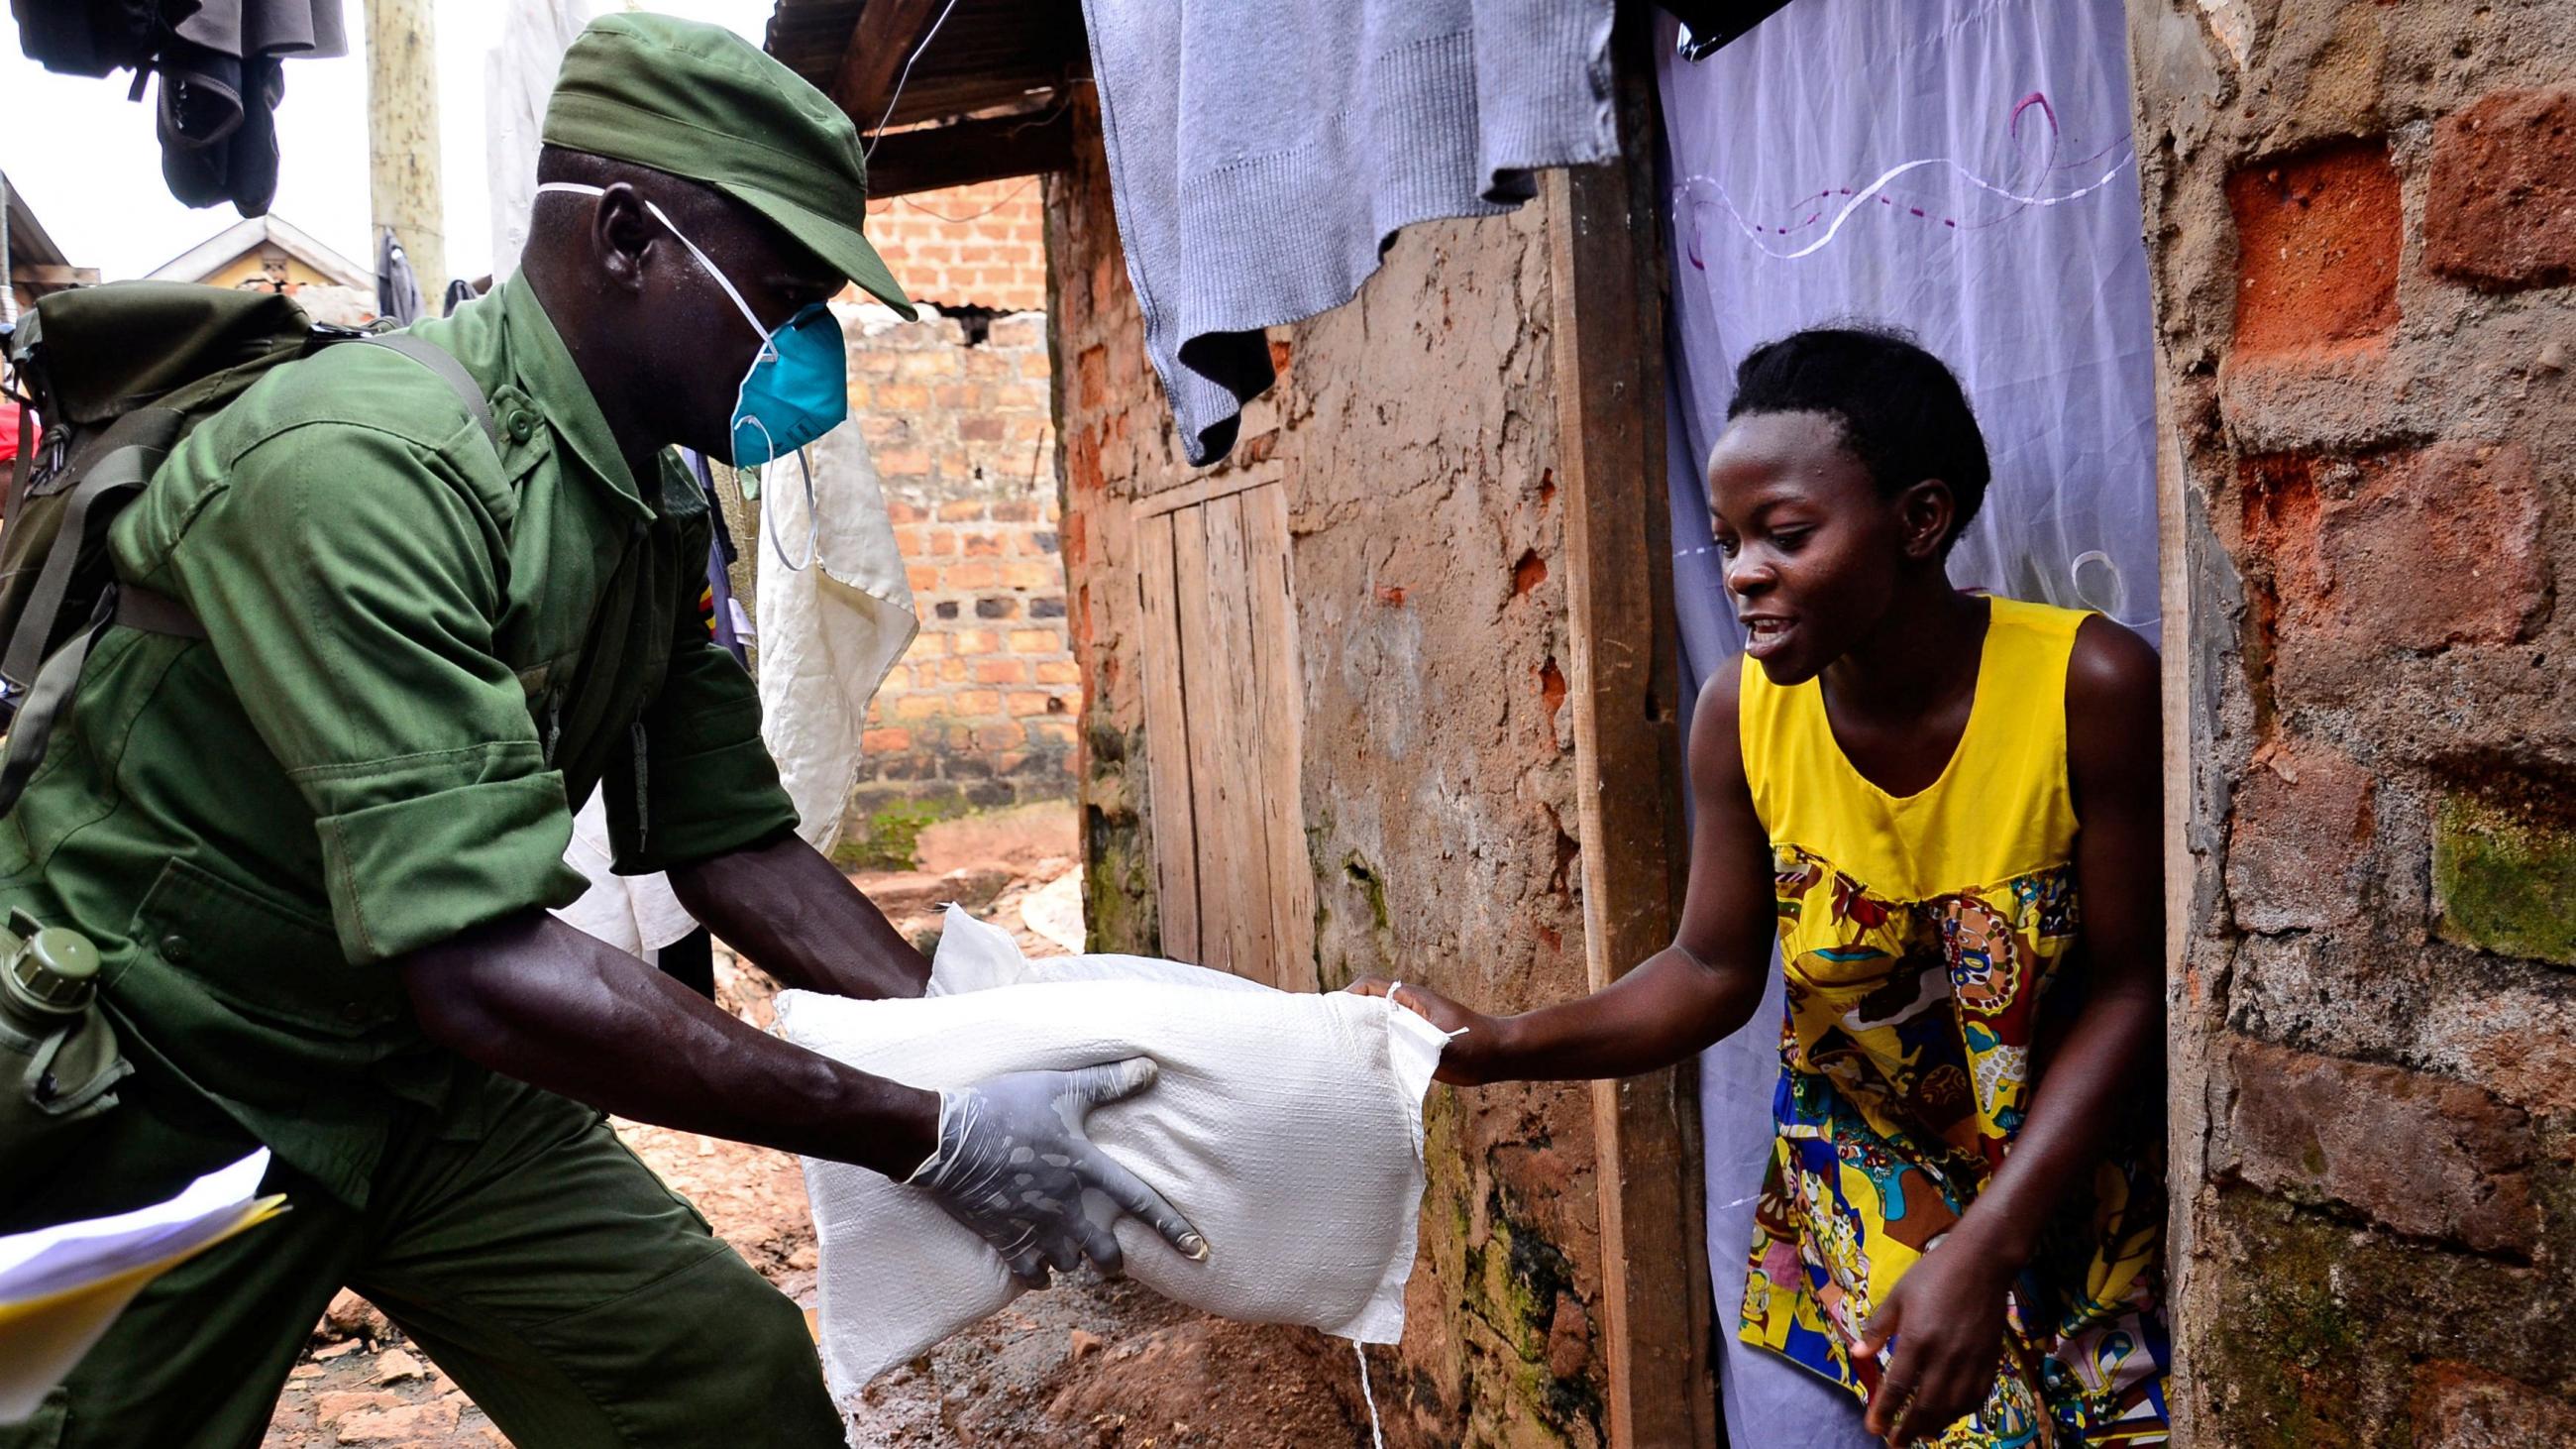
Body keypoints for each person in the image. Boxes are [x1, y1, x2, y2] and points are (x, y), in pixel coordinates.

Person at [0, 17, 1200, 1448]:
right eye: (781, 294)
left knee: (724, 1393)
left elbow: (731, 841)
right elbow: (484, 966)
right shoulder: (366, 470)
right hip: (177, 1078)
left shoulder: (655, 502)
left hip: (417, 1085)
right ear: (628, 238)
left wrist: (972, 1050)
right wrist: (921, 1130)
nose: (805, 348)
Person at [1354, 328, 2169, 1447]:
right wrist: (1495, 1044)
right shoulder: (1740, 714)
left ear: (1919, 521)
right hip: (1871, 1177)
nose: (1741, 570)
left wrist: (1988, 1247)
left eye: (1784, 535)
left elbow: (2133, 990)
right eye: (1730, 539)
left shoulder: (2088, 684)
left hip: (2068, 1179)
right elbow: (1708, 968)